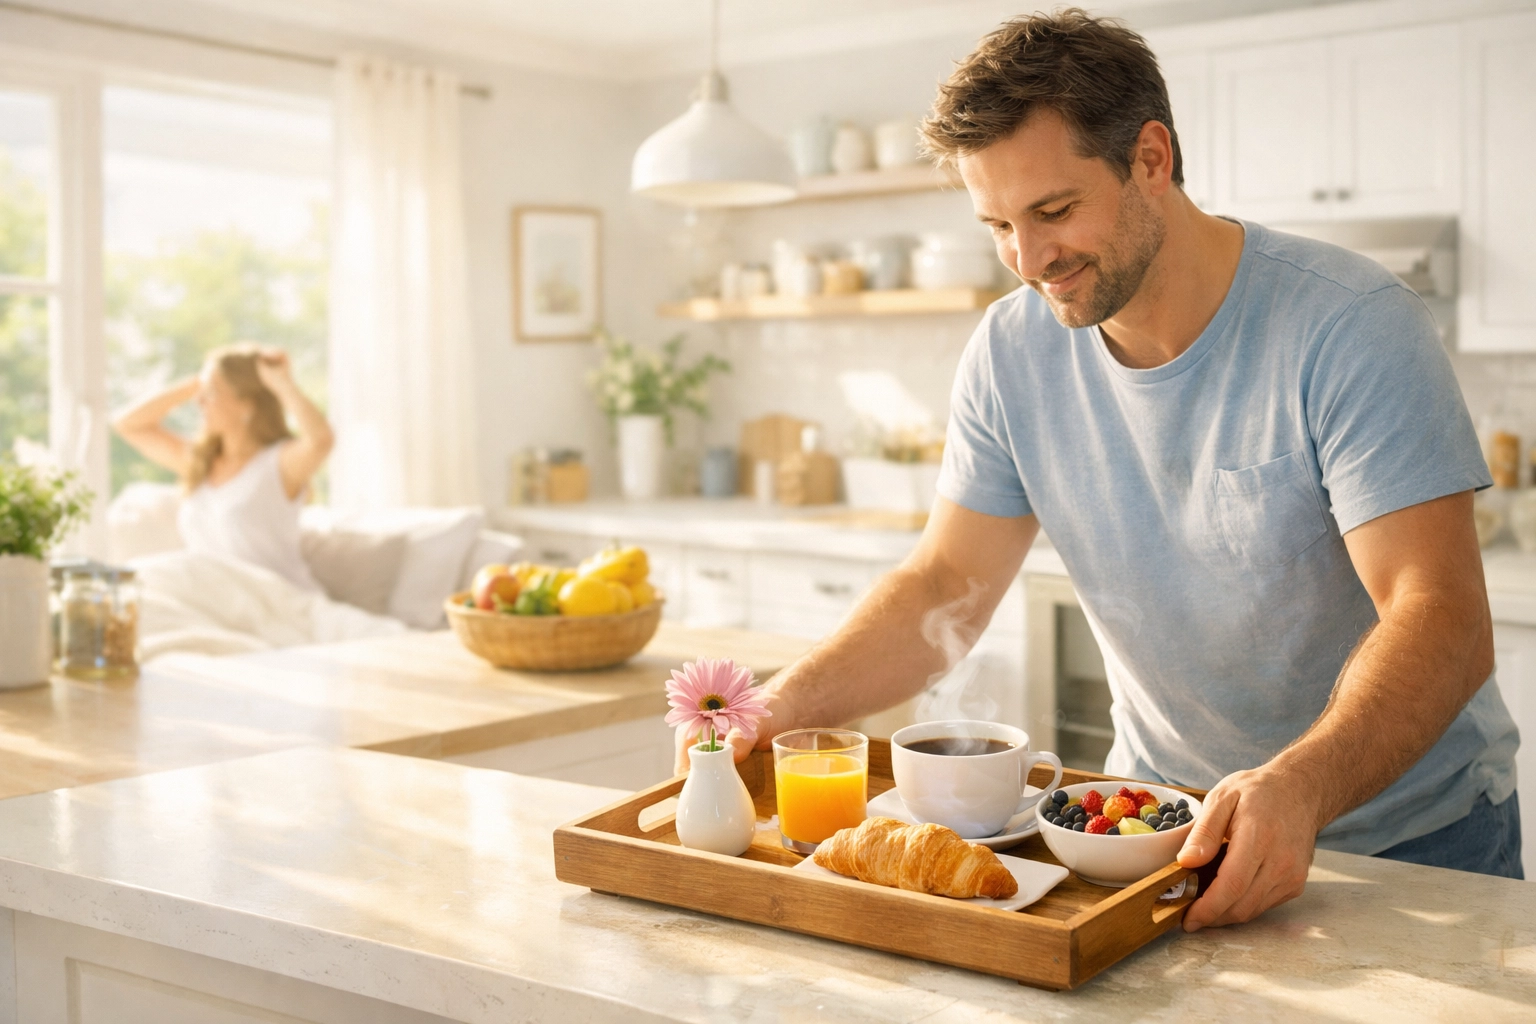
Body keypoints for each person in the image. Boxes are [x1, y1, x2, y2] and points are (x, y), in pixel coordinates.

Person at [679, 10, 1520, 930]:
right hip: (1155, 833)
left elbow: (1440, 616)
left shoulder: (1349, 324)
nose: (1030, 261)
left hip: (1412, 845)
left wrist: (1301, 786)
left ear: (1151, 159)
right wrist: (777, 706)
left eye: (1053, 211)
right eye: (998, 224)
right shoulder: (1010, 351)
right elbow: (946, 583)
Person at [113, 344, 334, 593]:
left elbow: (320, 440)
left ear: (246, 405)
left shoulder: (278, 464)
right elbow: (129, 425)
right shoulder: (200, 463)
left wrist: (282, 383)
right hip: (215, 601)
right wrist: (197, 382)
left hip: (277, 601)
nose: (199, 402)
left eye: (211, 393)